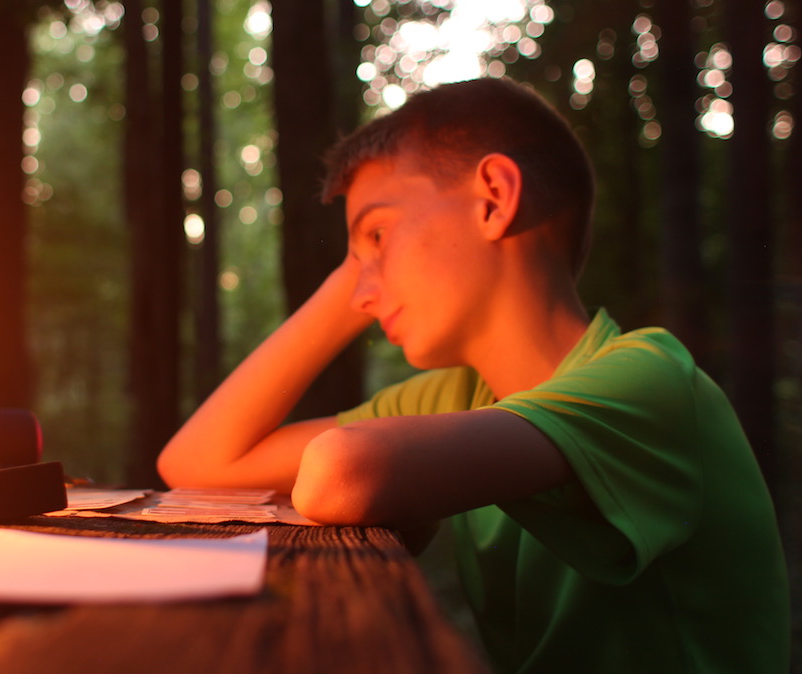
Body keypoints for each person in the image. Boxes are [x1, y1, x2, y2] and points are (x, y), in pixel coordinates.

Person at [156, 77, 789, 673]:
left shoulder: (650, 381)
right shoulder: (460, 395)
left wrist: (363, 267)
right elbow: (197, 462)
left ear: (493, 199)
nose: (362, 293)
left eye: (378, 234)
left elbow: (340, 473)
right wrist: (354, 273)